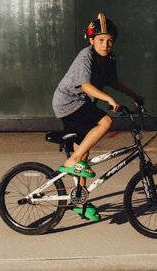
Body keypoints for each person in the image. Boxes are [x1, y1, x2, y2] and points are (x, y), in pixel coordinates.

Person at [51, 12, 144, 222]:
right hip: (69, 102)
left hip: (81, 104)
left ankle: (80, 202)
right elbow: (86, 86)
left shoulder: (109, 58)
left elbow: (114, 81)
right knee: (105, 121)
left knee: (83, 156)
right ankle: (71, 161)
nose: (105, 44)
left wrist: (134, 96)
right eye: (100, 40)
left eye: (110, 41)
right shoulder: (87, 56)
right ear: (92, 40)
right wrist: (110, 100)